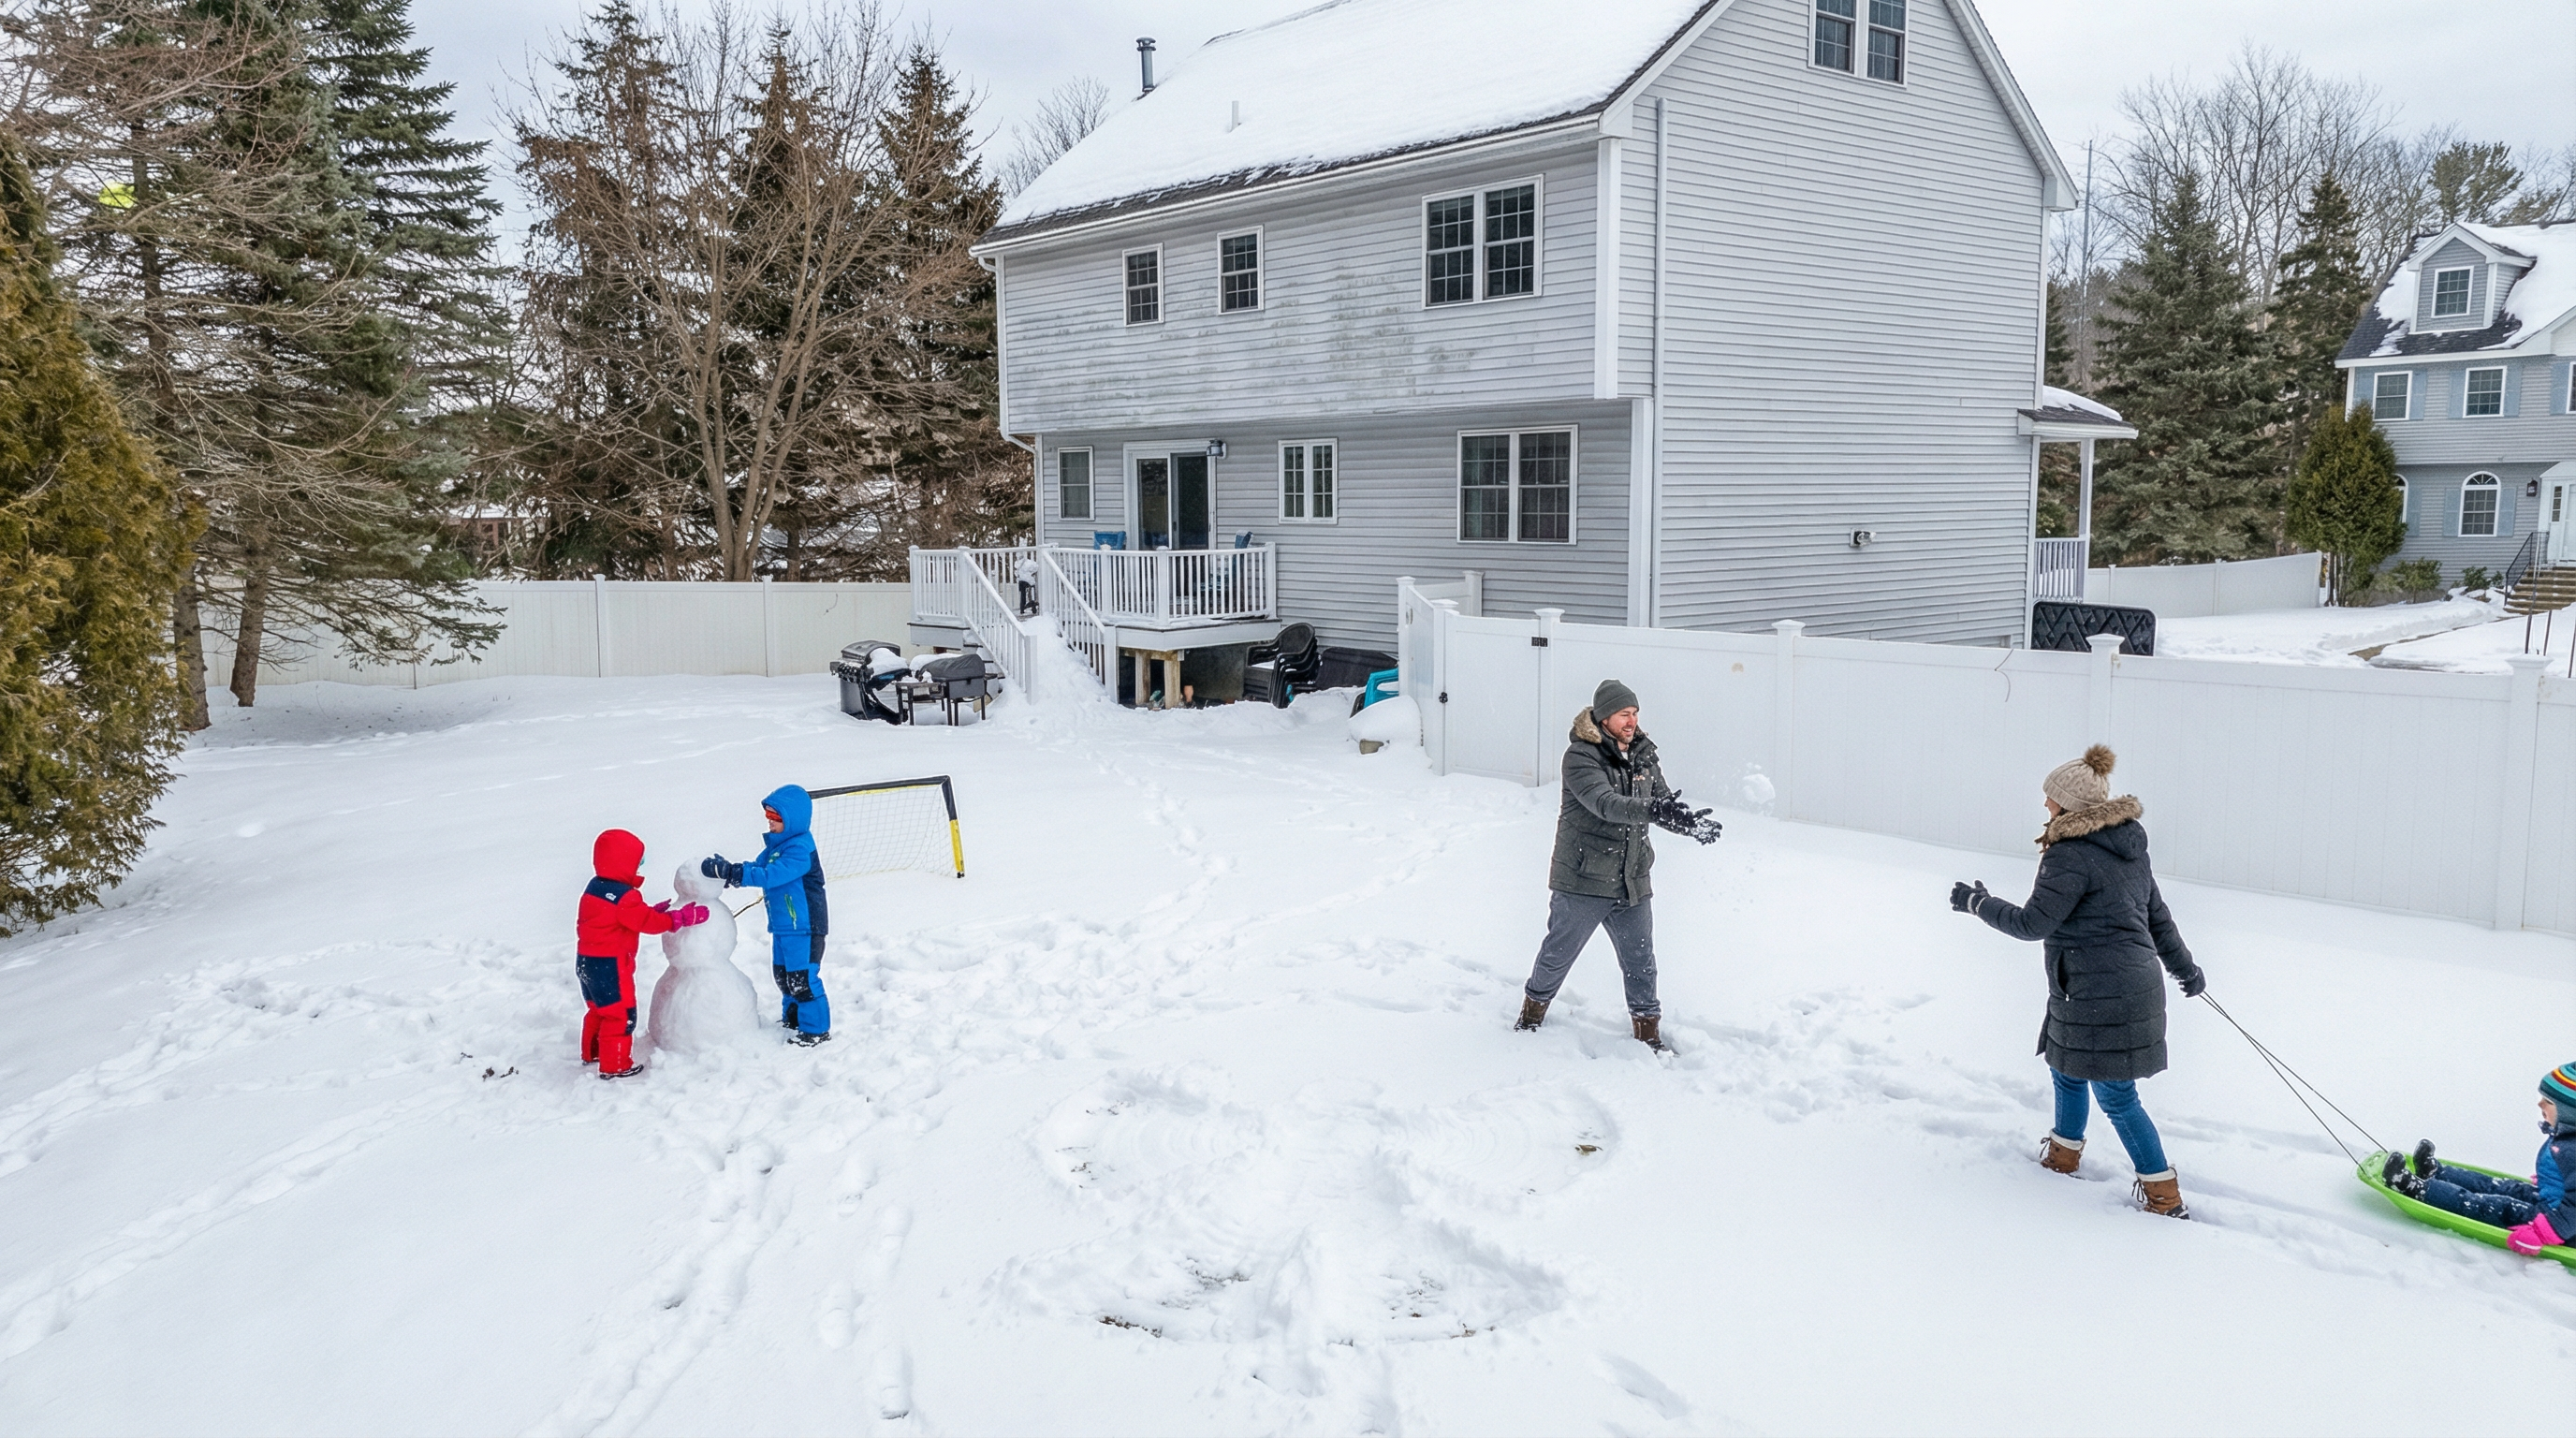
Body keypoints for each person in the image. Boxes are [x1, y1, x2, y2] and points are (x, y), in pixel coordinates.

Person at [1951, 744, 2206, 1218]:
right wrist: (2184, 967)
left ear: (2070, 805)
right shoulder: (2125, 846)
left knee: (2116, 1094)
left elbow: (2032, 924)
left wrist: (1977, 904)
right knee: (2064, 1067)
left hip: (2099, 989)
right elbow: (2158, 918)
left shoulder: (2070, 855)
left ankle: (2164, 1197)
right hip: (2109, 984)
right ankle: (2063, 1156)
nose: (2046, 806)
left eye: (2051, 799)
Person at [1515, 679, 1719, 1052]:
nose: (1632, 720)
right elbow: (1606, 805)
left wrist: (1688, 823)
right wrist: (1654, 809)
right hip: (1583, 878)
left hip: (1632, 878)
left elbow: (1659, 802)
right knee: (1558, 954)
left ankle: (1648, 1034)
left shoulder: (1643, 754)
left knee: (1641, 960)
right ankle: (1531, 1015)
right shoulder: (1580, 757)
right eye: (1624, 714)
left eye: (1635, 713)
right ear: (1604, 717)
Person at [2383, 1064, 2576, 1255]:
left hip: (2558, 1224)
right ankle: (2435, 1172)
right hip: (2552, 1201)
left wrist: (2542, 1234)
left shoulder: (2571, 1149)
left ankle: (2419, 1189)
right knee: (2498, 1185)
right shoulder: (2568, 1136)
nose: (2540, 1104)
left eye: (2549, 1102)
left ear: (2570, 1113)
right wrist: (2553, 1179)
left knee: (2489, 1205)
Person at [706, 785, 832, 1046]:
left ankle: (816, 1030)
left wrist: (735, 874)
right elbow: (758, 867)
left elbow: (772, 875)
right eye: (768, 817)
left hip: (804, 927)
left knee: (803, 979)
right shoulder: (778, 847)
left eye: (776, 818)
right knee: (783, 976)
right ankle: (793, 1020)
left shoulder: (800, 849)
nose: (770, 823)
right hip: (784, 926)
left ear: (792, 819)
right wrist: (732, 870)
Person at [577, 829, 707, 1079]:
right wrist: (679, 918)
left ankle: (591, 1052)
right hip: (610, 967)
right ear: (623, 863)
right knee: (620, 1015)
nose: (639, 868)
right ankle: (615, 1066)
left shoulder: (594, 887)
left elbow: (622, 918)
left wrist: (648, 911)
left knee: (598, 1009)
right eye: (639, 862)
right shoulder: (626, 897)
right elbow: (648, 923)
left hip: (586, 963)